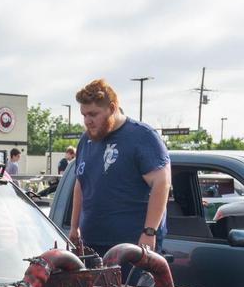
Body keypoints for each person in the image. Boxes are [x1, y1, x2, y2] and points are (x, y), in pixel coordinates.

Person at [67, 79, 170, 256]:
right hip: (92, 245)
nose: (87, 121)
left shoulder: (142, 136)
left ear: (112, 108)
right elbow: (80, 184)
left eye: (93, 114)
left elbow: (162, 183)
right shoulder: (86, 140)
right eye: (84, 115)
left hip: (132, 247)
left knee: (131, 285)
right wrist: (74, 227)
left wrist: (149, 232)